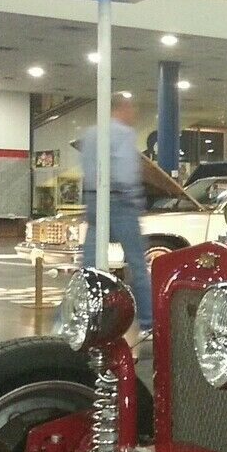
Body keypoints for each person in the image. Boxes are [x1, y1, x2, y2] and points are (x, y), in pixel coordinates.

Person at [80, 93, 152, 333]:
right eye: (131, 109)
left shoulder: (90, 134)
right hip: (120, 202)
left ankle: (78, 317)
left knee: (89, 265)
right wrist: (136, 199)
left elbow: (88, 170)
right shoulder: (123, 133)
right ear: (122, 108)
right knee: (137, 264)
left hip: (93, 200)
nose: (133, 115)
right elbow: (124, 172)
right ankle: (148, 322)